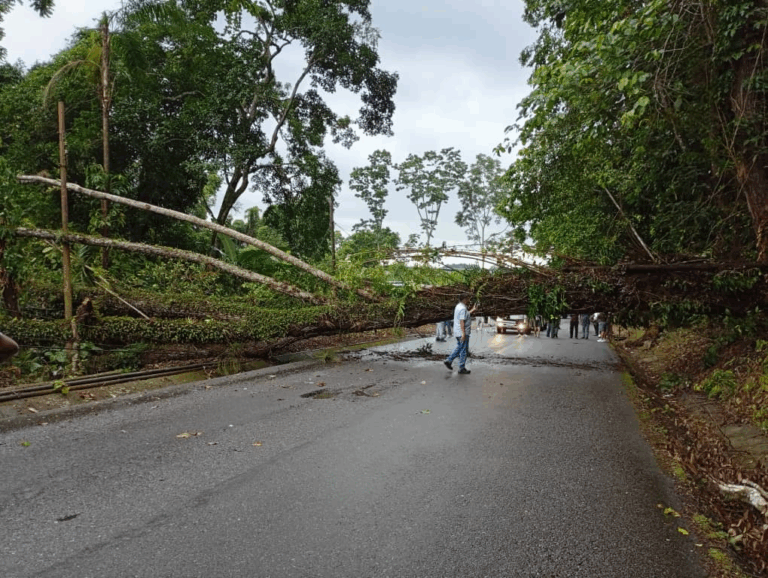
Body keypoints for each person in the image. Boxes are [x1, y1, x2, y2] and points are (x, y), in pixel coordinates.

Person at [444, 294, 477, 375]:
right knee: (463, 350)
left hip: (457, 331)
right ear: (464, 299)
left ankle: (449, 360)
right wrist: (463, 333)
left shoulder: (459, 306)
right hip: (461, 331)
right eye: (467, 298)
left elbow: (465, 315)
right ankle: (461, 368)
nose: (468, 300)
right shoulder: (462, 308)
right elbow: (461, 321)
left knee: (460, 347)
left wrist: (472, 310)